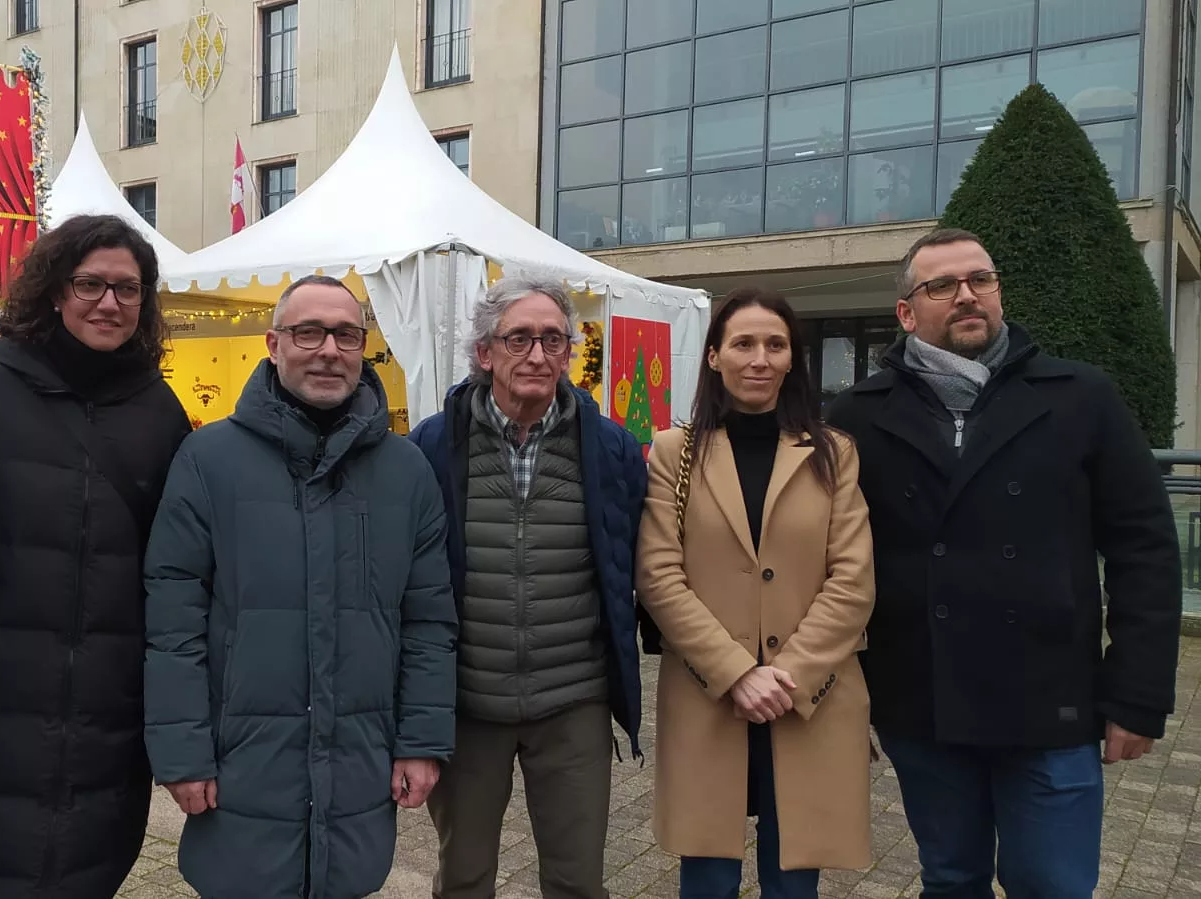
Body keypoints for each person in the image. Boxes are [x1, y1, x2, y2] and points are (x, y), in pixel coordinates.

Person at [827, 228, 1182, 897]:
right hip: (921, 702)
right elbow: (832, 561)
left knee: (1052, 883)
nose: (967, 295)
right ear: (907, 312)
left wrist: (1137, 694)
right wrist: (845, 696)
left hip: (1052, 702)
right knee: (952, 877)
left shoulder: (1081, 396)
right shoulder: (860, 414)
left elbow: (1144, 547)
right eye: (942, 285)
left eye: (980, 280)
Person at [144, 274, 457, 899]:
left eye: (345, 334)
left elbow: (428, 621)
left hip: (360, 757)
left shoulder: (405, 469)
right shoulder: (208, 460)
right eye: (308, 332)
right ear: (273, 343)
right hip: (244, 761)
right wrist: (182, 753)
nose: (328, 349)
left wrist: (421, 742)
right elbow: (173, 619)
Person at [0, 214, 192, 898]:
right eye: (90, 284)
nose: (109, 303)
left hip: (110, 713)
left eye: (127, 289)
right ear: (53, 290)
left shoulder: (160, 410)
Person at [406, 275, 645, 899]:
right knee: (463, 878)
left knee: (577, 881)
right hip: (467, 703)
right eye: (518, 339)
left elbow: (634, 562)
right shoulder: (431, 444)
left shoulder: (611, 447)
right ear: (485, 352)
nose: (537, 355)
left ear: (569, 352)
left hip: (574, 702)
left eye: (553, 339)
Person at [635, 288, 875, 899]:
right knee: (708, 872)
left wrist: (786, 673)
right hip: (710, 692)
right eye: (743, 343)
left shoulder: (833, 453)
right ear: (714, 356)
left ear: (793, 358)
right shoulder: (674, 453)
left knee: (794, 874)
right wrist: (739, 672)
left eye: (775, 344)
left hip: (807, 695)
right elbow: (660, 574)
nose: (759, 359)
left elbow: (852, 580)